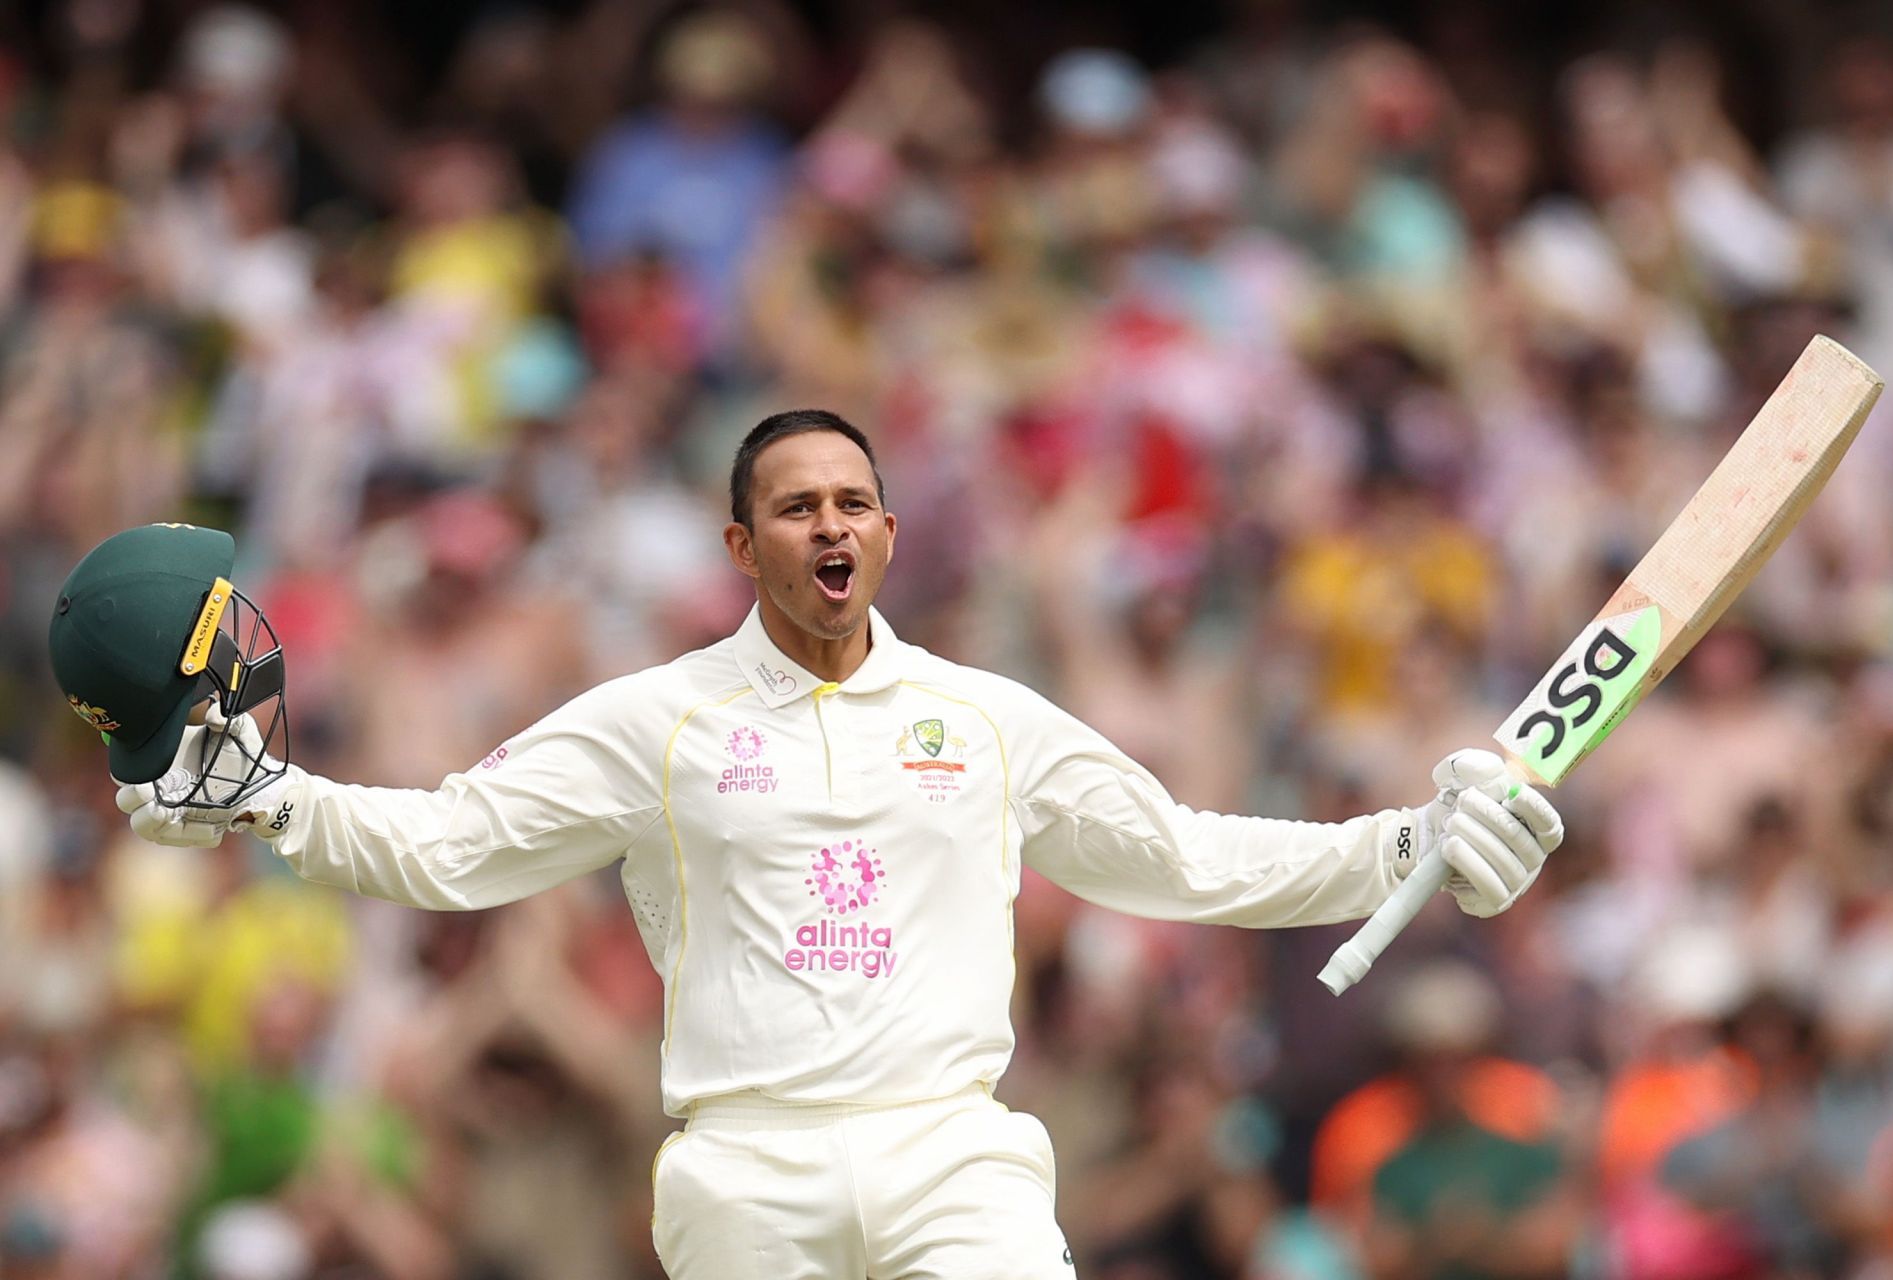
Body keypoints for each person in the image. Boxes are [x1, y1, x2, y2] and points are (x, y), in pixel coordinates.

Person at [60, 409, 1563, 1280]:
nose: (828, 526)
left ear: (890, 534)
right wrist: (262, 796)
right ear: (743, 544)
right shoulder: (654, 716)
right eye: (794, 507)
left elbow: (1177, 857)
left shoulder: (984, 715)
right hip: (743, 1173)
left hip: (954, 1159)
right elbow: (456, 847)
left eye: (853, 502)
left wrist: (1399, 846)